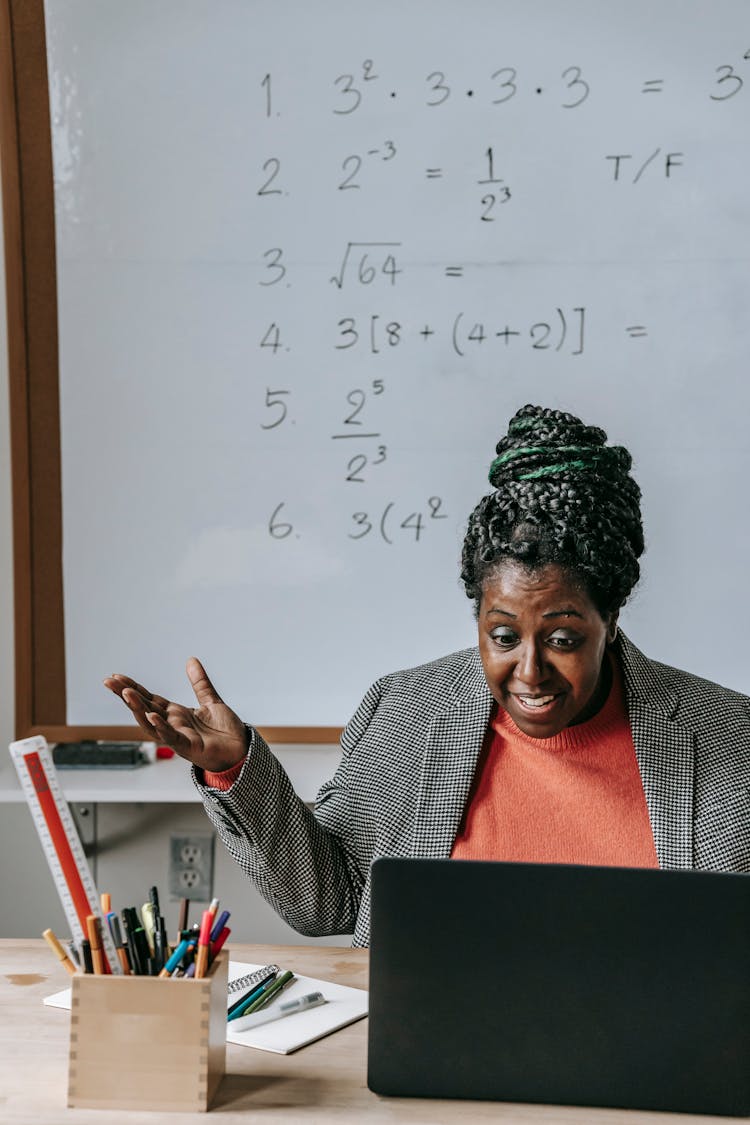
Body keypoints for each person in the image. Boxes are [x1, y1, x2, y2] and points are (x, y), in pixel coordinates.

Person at [104, 404, 750, 947]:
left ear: (609, 616)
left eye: (562, 638)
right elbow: (327, 901)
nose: (529, 671)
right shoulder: (405, 709)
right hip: (436, 1073)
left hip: (654, 1082)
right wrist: (234, 767)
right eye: (503, 635)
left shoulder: (729, 735)